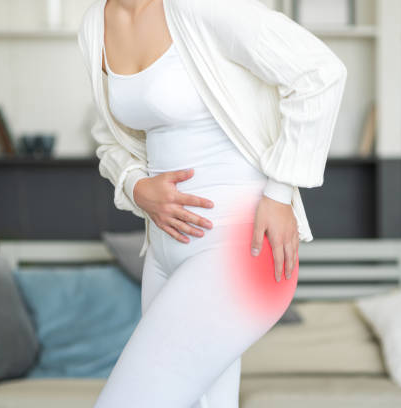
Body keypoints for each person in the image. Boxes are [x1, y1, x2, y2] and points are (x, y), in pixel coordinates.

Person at [77, 0, 347, 406]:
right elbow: (108, 136)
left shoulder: (201, 5)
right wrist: (136, 186)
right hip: (163, 256)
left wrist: (280, 192)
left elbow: (320, 73)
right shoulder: (94, 24)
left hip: (242, 249)